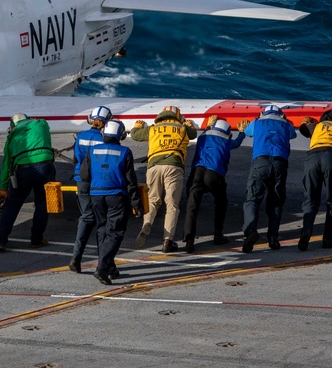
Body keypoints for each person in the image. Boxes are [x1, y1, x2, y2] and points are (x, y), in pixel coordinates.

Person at [80, 119, 142, 285]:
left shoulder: (93, 151)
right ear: (120, 135)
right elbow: (131, 181)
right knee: (115, 232)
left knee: (102, 230)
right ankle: (101, 268)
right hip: (116, 195)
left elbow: (84, 175)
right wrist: (136, 203)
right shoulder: (125, 152)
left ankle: (110, 267)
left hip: (96, 194)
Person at [130, 106, 198, 253]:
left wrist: (136, 127)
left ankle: (147, 224)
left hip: (154, 166)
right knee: (172, 204)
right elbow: (193, 134)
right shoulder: (182, 128)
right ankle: (168, 240)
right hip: (174, 166)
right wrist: (189, 125)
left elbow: (135, 135)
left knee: (153, 200)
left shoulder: (153, 129)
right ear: (178, 117)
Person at [182, 116, 247, 253]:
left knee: (192, 207)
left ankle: (188, 240)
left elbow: (207, 132)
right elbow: (237, 143)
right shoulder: (227, 140)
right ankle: (218, 235)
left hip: (197, 172)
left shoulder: (202, 137)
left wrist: (208, 126)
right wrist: (242, 132)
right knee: (221, 203)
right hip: (214, 174)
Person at [0, 113, 56, 251]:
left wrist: (3, 188)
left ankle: (0, 241)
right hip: (45, 167)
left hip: (23, 170)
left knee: (12, 205)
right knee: (42, 204)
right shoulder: (41, 124)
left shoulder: (12, 135)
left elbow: (6, 165)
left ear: (12, 125)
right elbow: (42, 124)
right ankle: (36, 240)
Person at [241, 104, 297, 253]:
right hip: (280, 163)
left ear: (263, 114)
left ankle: (250, 232)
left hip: (260, 162)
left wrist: (257, 119)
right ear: (280, 115)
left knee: (252, 200)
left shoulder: (258, 122)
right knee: (276, 202)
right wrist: (285, 121)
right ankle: (273, 238)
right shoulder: (285, 124)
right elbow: (293, 135)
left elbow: (247, 131)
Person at [298, 109, 332, 251]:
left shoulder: (317, 126)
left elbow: (304, 129)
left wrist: (308, 122)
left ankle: (306, 233)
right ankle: (328, 238)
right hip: (331, 156)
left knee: (310, 199)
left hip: (312, 157)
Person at [69, 105, 114, 273]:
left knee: (86, 217)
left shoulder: (80, 136)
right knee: (103, 222)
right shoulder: (103, 139)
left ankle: (76, 257)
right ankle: (104, 263)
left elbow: (76, 159)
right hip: (98, 181)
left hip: (81, 180)